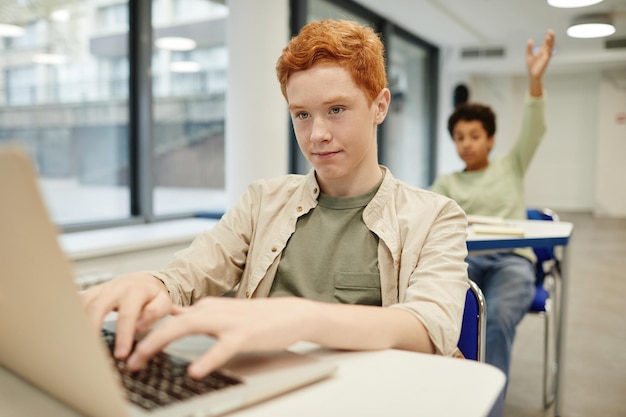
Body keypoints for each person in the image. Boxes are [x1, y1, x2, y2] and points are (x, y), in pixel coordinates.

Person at [82, 19, 469, 378]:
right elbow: (193, 272)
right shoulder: (262, 201)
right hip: (266, 387)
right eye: (302, 114)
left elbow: (430, 327)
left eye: (336, 110)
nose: (317, 134)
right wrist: (153, 283)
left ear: (379, 106)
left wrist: (300, 318)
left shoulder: (435, 216)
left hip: (369, 393)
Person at [431, 29, 556, 381]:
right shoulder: (447, 183)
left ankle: (488, 394)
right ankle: (451, 387)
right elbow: (422, 212)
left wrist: (535, 79)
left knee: (497, 317)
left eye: (474, 136)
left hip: (513, 260)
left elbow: (534, 128)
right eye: (459, 138)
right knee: (445, 313)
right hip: (466, 260)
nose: (466, 144)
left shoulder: (510, 165)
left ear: (490, 139)